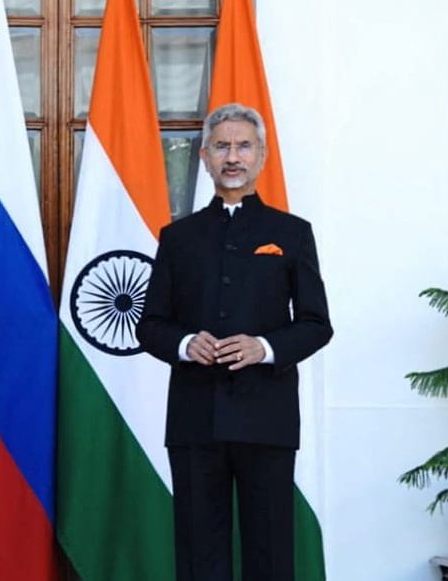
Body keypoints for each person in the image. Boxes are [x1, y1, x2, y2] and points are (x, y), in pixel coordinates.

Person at [136, 103, 332, 581]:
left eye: (244, 146)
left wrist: (263, 347)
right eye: (222, 146)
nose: (233, 157)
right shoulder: (178, 237)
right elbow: (150, 326)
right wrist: (185, 343)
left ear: (261, 155)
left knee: (270, 554)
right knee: (200, 556)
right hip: (194, 421)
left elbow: (316, 324)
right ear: (203, 156)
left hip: (267, 418)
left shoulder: (291, 233)